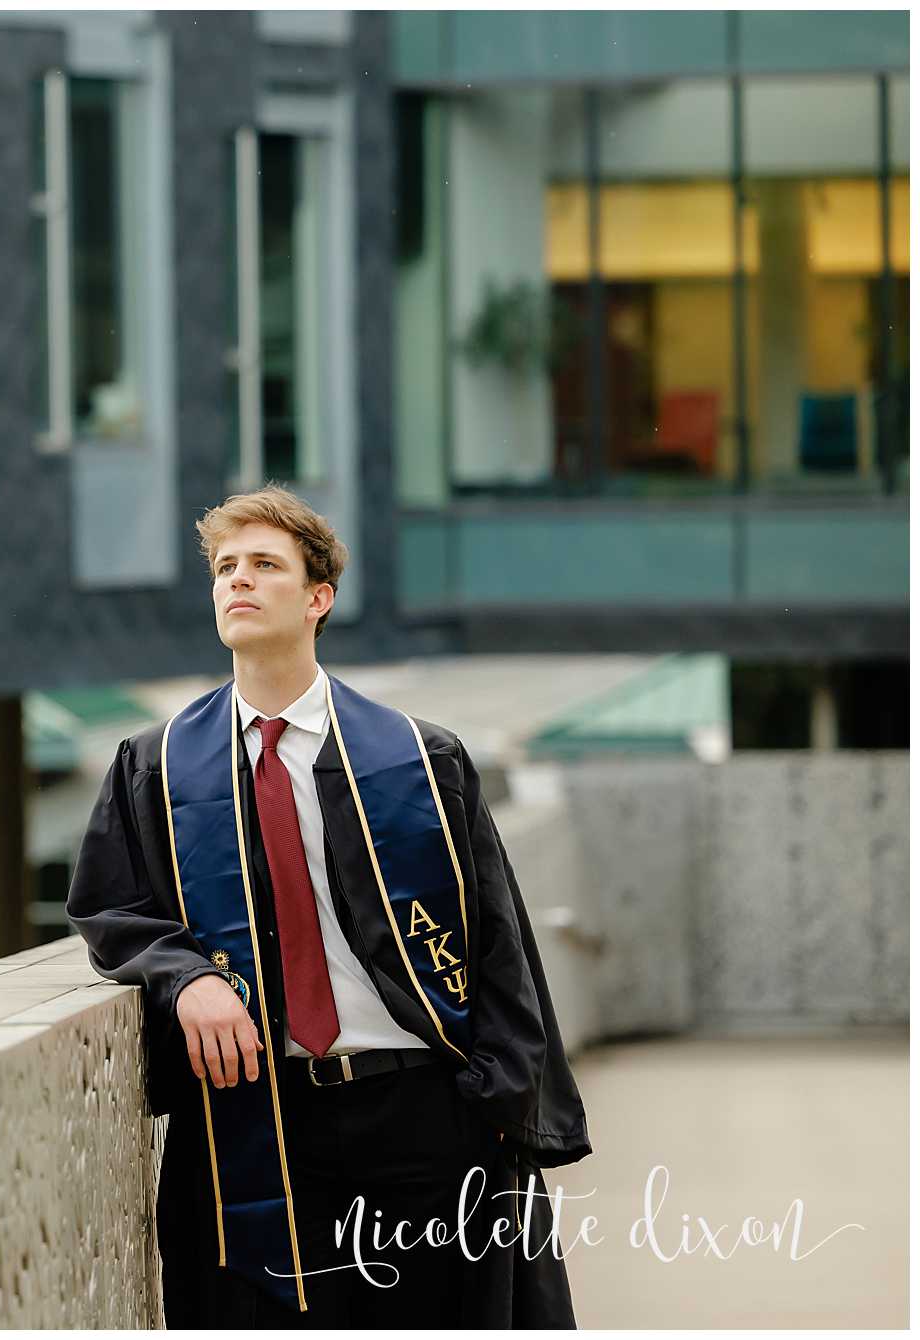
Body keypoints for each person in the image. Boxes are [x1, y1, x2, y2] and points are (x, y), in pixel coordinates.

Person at [67, 487, 592, 1328]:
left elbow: (499, 941)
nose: (238, 581)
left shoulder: (419, 759)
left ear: (318, 599)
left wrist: (498, 1105)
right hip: (255, 1118)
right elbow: (110, 905)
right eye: (225, 567)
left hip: (420, 1113)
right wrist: (183, 974)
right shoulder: (157, 766)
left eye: (265, 565)